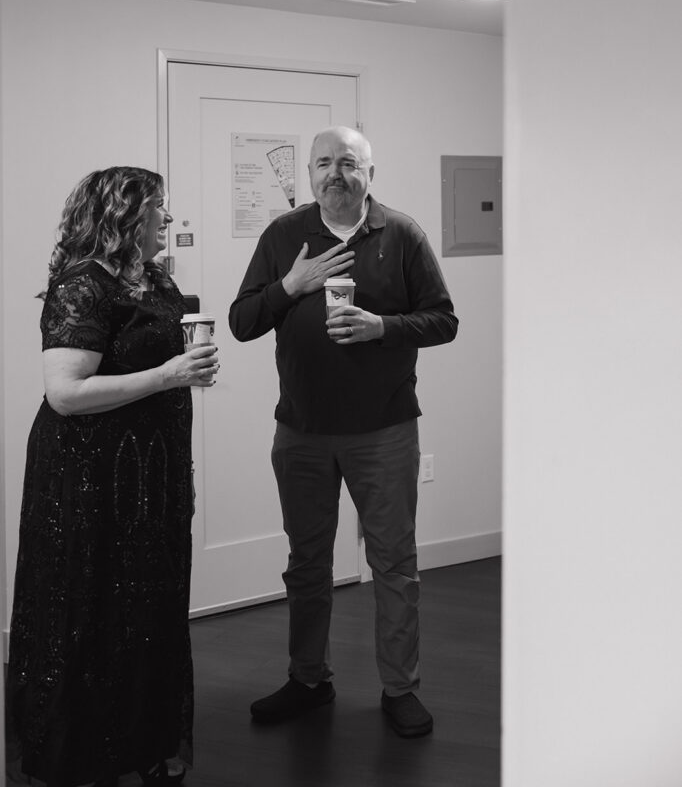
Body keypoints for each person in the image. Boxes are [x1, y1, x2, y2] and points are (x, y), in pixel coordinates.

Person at [228, 126, 458, 738]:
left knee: (394, 565)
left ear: (369, 175)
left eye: (349, 164)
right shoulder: (283, 236)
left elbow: (444, 320)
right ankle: (308, 679)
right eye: (324, 163)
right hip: (301, 431)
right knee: (307, 563)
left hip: (383, 430)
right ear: (309, 174)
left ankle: (399, 689)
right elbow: (242, 321)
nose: (336, 173)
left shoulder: (401, 233)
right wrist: (290, 286)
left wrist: (382, 327)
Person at [5, 166, 220, 787]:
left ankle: (147, 739)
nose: (168, 221)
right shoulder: (82, 284)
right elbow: (66, 394)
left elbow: (160, 357)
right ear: (126, 216)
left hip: (151, 473)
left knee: (151, 604)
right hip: (88, 475)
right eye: (160, 210)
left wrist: (187, 370)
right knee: (93, 602)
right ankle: (85, 753)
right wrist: (166, 377)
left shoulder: (154, 276)